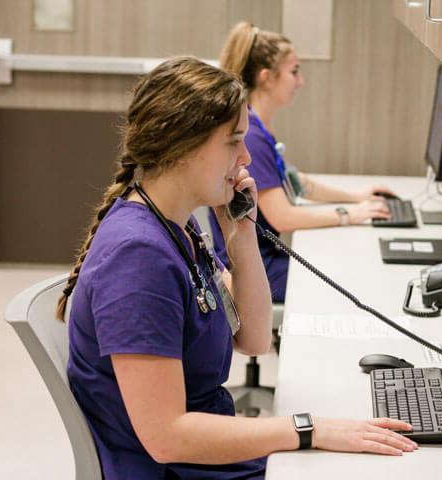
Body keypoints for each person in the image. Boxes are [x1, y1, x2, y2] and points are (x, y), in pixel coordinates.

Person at [56, 57, 417, 480]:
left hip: (207, 459)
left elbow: (255, 338)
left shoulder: (177, 225)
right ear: (181, 147)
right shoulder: (139, 260)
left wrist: (241, 238)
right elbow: (166, 437)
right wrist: (307, 429)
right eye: (234, 141)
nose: (246, 156)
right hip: (178, 468)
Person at [209, 22, 396, 303]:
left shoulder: (258, 127)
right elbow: (283, 217)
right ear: (266, 78)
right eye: (294, 72)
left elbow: (295, 181)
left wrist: (356, 197)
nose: (300, 81)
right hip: (256, 271)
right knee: (348, 281)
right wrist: (349, 215)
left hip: (265, 259)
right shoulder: (252, 137)